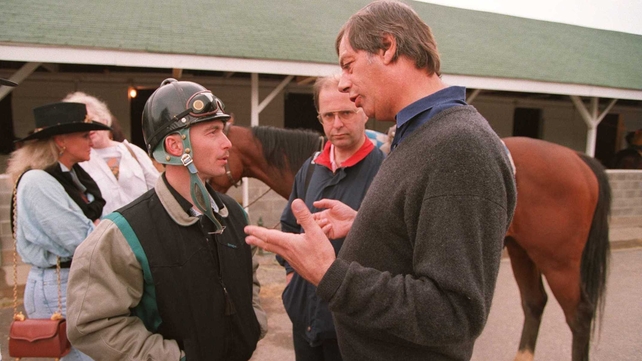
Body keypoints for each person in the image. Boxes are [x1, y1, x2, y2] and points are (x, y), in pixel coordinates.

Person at [244, 1, 517, 361]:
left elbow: (453, 313)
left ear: (387, 47)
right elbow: (422, 239)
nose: (342, 82)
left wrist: (330, 275)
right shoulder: (418, 135)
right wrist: (369, 224)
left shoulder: (460, 145)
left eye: (347, 65)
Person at [66, 78, 267, 361]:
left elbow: (250, 280)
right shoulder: (124, 233)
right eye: (212, 132)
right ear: (175, 145)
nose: (227, 143)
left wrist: (252, 325)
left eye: (223, 131)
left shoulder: (234, 215)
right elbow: (91, 325)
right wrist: (174, 358)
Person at [278, 74, 384, 361]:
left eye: (346, 113)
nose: (337, 124)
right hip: (305, 321)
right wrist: (292, 279)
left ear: (363, 112)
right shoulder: (311, 169)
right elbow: (289, 225)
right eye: (329, 116)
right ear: (320, 118)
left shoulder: (385, 173)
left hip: (351, 326)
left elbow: (397, 246)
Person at [7, 101, 111, 361]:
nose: (92, 140)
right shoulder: (38, 181)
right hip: (58, 283)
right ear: (61, 140)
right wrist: (97, 227)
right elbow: (83, 239)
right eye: (85, 135)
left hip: (75, 278)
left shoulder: (71, 176)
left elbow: (97, 224)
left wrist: (97, 227)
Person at [63, 92, 160, 216]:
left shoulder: (132, 151)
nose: (89, 128)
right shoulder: (77, 160)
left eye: (91, 120)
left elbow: (158, 190)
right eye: (82, 125)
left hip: (143, 227)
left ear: (104, 119)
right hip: (105, 231)